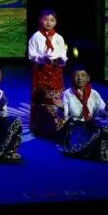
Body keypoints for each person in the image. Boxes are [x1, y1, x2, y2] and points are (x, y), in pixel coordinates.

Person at [59, 65, 108, 163]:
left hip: (89, 125)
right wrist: (61, 108)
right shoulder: (67, 94)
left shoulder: (94, 94)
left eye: (83, 75)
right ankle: (78, 149)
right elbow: (64, 117)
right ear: (72, 78)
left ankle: (101, 153)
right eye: (76, 76)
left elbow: (102, 113)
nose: (80, 78)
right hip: (74, 128)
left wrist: (107, 108)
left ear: (88, 78)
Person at [28, 9, 67, 139]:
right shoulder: (36, 37)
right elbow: (31, 54)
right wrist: (42, 58)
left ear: (56, 22)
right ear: (40, 20)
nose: (49, 22)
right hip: (41, 71)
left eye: (52, 20)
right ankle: (38, 124)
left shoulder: (58, 38)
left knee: (55, 97)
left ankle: (56, 122)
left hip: (55, 72)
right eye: (46, 19)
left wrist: (61, 59)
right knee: (40, 97)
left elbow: (63, 53)